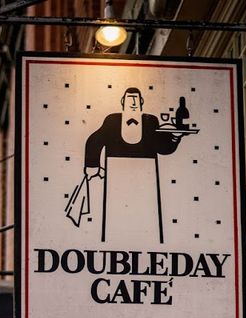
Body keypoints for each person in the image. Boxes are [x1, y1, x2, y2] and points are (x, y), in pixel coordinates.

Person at [77, 87, 188, 243]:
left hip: (146, 176)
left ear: (142, 102)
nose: (134, 102)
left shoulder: (150, 121)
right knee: (114, 217)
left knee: (148, 215)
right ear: (123, 102)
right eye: (130, 99)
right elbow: (95, 140)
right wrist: (92, 165)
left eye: (137, 99)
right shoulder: (112, 121)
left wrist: (175, 138)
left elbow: (163, 148)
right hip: (116, 174)